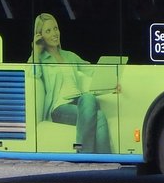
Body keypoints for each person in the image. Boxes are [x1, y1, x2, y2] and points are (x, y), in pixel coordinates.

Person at [30, 13, 114, 153]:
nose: (54, 33)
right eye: (48, 31)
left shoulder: (69, 55)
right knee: (91, 103)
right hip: (59, 108)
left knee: (95, 109)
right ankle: (86, 153)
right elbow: (33, 74)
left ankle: (104, 160)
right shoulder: (41, 59)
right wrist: (36, 52)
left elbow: (91, 71)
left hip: (78, 102)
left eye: (55, 28)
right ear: (40, 36)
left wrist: (111, 82)